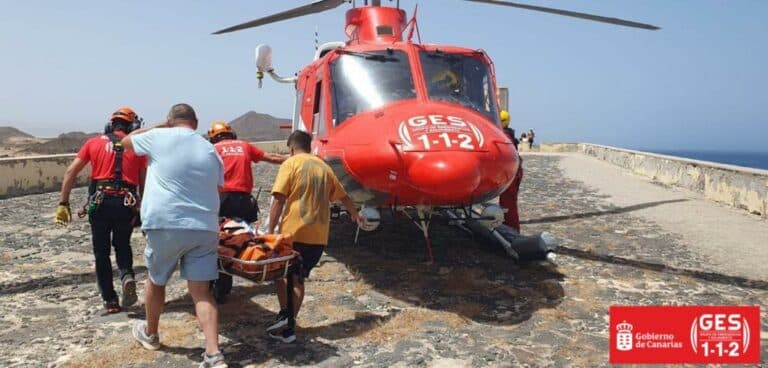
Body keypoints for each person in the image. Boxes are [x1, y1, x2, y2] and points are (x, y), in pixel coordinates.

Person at [122, 104, 227, 368]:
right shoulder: (210, 150)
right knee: (202, 292)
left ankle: (151, 333)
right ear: (196, 122)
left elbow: (125, 142)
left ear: (171, 120)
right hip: (204, 226)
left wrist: (162, 125)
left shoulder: (159, 137)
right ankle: (213, 354)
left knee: (157, 281)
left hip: (166, 223)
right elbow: (218, 188)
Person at [265, 130, 364, 343]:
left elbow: (279, 199)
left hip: (293, 233)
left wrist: (270, 231)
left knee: (281, 274)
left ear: (292, 148)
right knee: (297, 278)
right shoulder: (323, 167)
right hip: (318, 236)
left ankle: (288, 322)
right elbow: (343, 196)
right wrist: (355, 215)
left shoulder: (291, 164)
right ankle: (287, 320)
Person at [55, 107, 146, 313]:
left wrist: (63, 203)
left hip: (100, 202)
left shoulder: (93, 142)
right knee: (122, 244)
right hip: (126, 203)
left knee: (101, 252)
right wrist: (141, 209)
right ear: (132, 126)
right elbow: (143, 184)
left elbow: (71, 171)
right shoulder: (138, 148)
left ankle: (110, 300)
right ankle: (127, 275)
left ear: (110, 125)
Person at [208, 120, 286, 303]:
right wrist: (299, 158)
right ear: (231, 134)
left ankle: (220, 287)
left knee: (220, 241)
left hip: (222, 200)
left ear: (213, 138)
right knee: (241, 239)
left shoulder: (212, 150)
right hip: (244, 202)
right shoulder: (244, 146)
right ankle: (250, 266)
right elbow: (272, 158)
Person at [498, 111, 524, 232]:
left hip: (511, 172)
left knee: (508, 203)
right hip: (514, 171)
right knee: (507, 201)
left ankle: (512, 229)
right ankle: (508, 226)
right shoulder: (509, 134)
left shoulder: (505, 136)